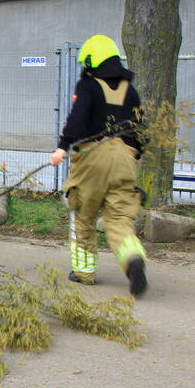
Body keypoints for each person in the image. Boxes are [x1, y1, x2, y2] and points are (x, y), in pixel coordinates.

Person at [50, 34, 148, 296]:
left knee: (83, 213)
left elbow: (78, 118)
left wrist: (62, 146)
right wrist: (137, 152)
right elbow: (140, 125)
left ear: (92, 61)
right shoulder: (130, 90)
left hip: (92, 157)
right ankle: (133, 259)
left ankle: (84, 272)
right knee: (119, 217)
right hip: (125, 158)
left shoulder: (89, 86)